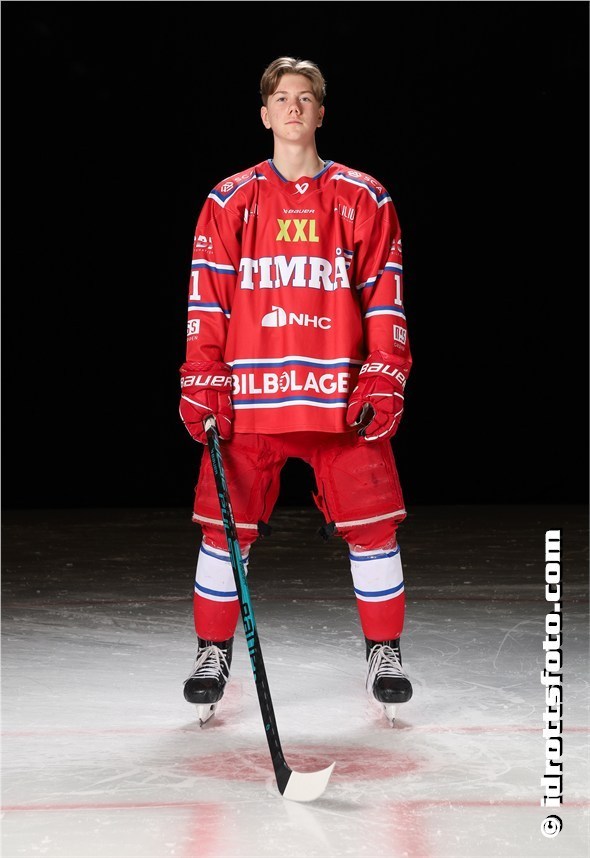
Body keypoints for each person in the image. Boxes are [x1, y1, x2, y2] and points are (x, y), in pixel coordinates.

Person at [178, 56, 413, 726]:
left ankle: (384, 652)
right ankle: (212, 652)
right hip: (253, 397)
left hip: (339, 398)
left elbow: (385, 297)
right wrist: (201, 376)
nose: (293, 107)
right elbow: (208, 300)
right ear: (264, 113)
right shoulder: (229, 200)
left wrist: (385, 372)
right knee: (224, 530)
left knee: (374, 527)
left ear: (320, 112)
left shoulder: (364, 197)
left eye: (305, 97)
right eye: (282, 97)